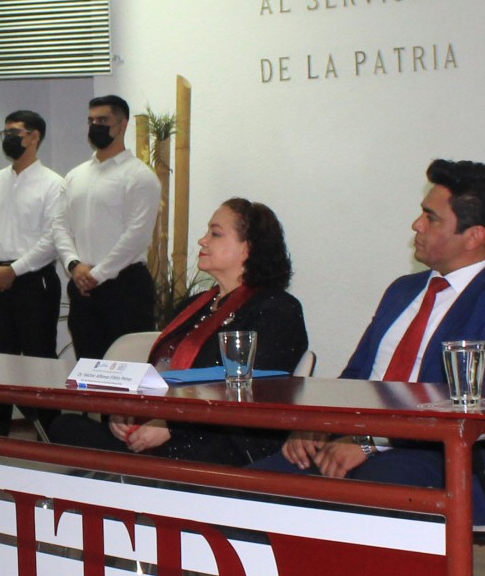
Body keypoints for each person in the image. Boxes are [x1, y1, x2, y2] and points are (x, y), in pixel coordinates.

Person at [261, 159, 485, 525]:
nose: (417, 225)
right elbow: (356, 378)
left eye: (432, 218)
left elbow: (480, 403)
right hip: (359, 444)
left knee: (356, 499)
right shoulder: (402, 291)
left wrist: (371, 443)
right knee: (250, 487)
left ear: (474, 236)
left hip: (449, 458)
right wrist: (316, 426)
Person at [49, 199, 308, 466]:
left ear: (248, 247)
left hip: (215, 439)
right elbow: (159, 373)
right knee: (65, 427)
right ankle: (128, 478)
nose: (202, 240)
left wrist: (173, 426)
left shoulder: (277, 309)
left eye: (215, 234)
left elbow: (255, 391)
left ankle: (130, 480)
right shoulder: (194, 306)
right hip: (158, 425)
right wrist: (127, 412)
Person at [0, 109, 67, 432]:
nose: (8, 138)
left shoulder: (53, 184)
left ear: (34, 137)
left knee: (39, 358)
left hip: (34, 281)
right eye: (6, 133)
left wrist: (14, 270)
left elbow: (53, 238)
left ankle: (50, 433)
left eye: (15, 133)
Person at [54, 95, 160, 360]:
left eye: (103, 120)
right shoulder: (75, 176)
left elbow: (137, 235)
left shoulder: (140, 176)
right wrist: (74, 265)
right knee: (87, 368)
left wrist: (97, 275)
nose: (95, 126)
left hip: (125, 288)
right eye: (91, 120)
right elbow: (60, 226)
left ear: (122, 125)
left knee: (128, 370)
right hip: (83, 288)